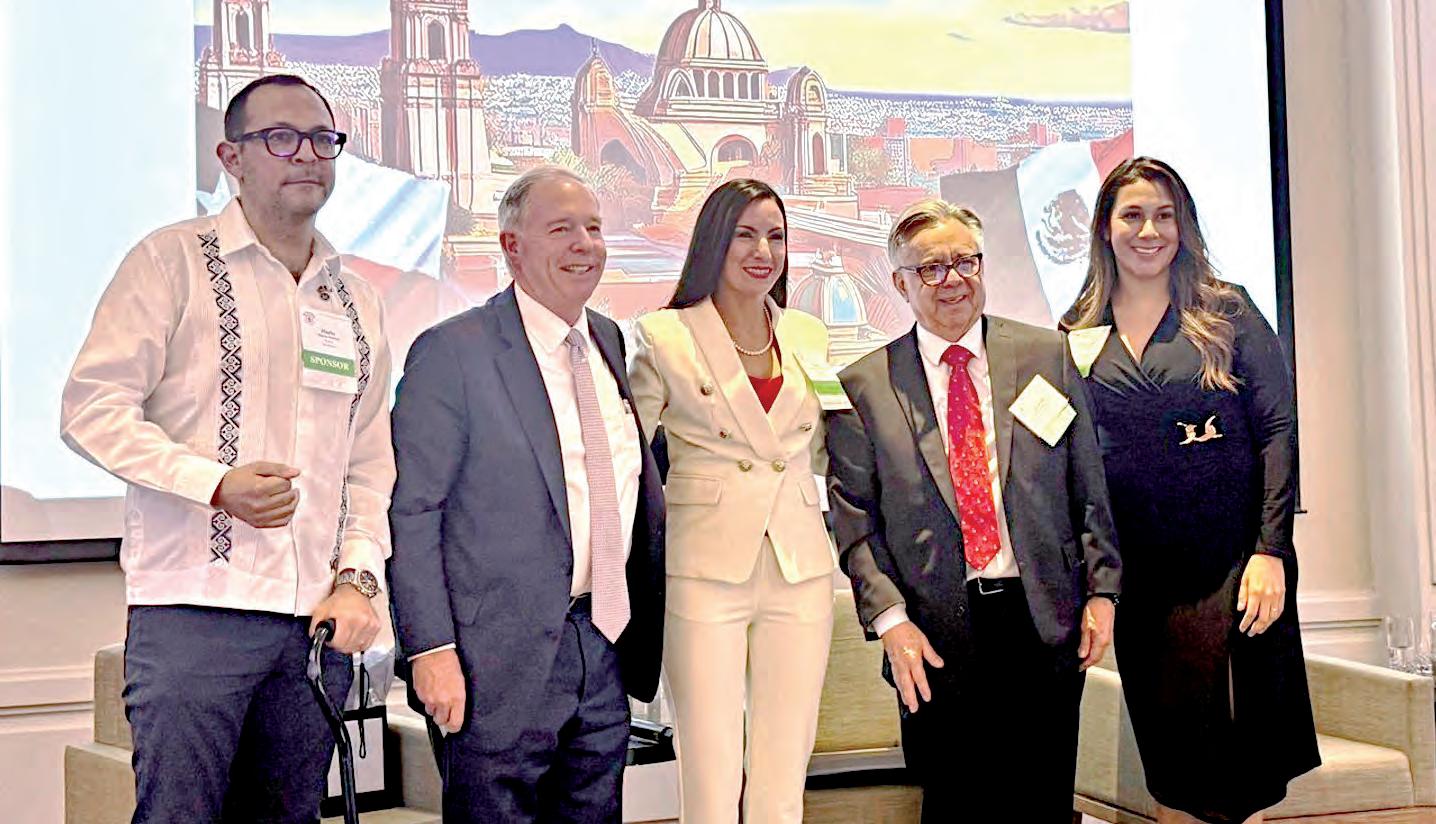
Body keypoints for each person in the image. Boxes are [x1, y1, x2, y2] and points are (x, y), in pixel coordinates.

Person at [60, 74, 392, 823]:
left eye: (323, 140)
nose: (306, 155)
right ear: (231, 158)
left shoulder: (356, 300)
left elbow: (370, 466)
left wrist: (358, 580)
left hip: (314, 626)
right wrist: (214, 483)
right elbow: (91, 408)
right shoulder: (170, 262)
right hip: (194, 613)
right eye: (281, 138)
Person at [826, 198, 1122, 823]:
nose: (952, 280)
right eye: (930, 268)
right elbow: (855, 524)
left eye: (965, 262)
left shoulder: (1047, 356)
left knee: (1043, 806)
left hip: (1044, 619)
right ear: (900, 282)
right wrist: (891, 622)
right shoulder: (864, 387)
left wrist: (1103, 592)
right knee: (955, 807)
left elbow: (1087, 485)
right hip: (933, 635)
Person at [386, 166, 666, 823]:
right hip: (491, 661)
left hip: (602, 644)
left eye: (594, 228)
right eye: (561, 229)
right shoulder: (453, 351)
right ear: (511, 246)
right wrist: (430, 650)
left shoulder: (608, 339)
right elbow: (413, 513)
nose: (585, 245)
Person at [1060, 156, 1319, 824]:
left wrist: (1270, 551)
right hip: (1143, 579)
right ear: (1106, 227)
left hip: (1232, 567)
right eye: (1133, 215)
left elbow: (1278, 430)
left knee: (1233, 764)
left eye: (1164, 216)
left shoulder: (1225, 311)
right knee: (1172, 762)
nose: (1149, 231)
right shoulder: (1075, 330)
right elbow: (1060, 453)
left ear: (1184, 226)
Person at [628, 179, 834, 823]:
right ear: (712, 242)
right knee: (710, 772)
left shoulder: (807, 333)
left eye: (775, 236)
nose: (762, 251)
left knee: (784, 772)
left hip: (800, 566)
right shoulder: (664, 334)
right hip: (704, 570)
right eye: (744, 234)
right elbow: (629, 460)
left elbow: (825, 450)